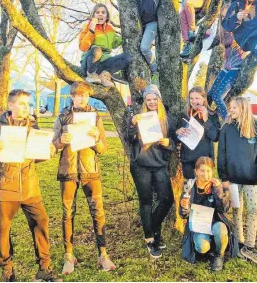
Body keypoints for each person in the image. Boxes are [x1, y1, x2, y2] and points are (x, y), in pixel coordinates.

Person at [0, 89, 61, 282]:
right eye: (22, 104)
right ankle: (7, 272)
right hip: (4, 189)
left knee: (41, 222)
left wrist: (48, 152)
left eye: (28, 104)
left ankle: (44, 269)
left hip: (29, 188)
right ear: (11, 105)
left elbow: (35, 158)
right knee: (2, 231)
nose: (27, 108)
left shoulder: (33, 129)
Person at [52, 82, 116, 274]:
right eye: (78, 95)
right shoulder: (63, 117)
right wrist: (60, 142)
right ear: (72, 97)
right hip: (68, 172)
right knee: (67, 214)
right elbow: (52, 145)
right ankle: (69, 256)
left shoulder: (95, 117)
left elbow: (104, 148)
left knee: (98, 213)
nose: (82, 98)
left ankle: (103, 255)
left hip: (91, 172)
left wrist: (96, 138)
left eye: (85, 96)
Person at [218, 96, 257, 265]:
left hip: (251, 179)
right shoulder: (226, 128)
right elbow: (222, 155)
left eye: (233, 108)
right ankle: (239, 244)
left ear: (243, 108)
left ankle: (250, 246)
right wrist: (224, 177)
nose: (230, 110)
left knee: (254, 210)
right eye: (230, 107)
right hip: (232, 179)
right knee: (236, 210)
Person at [127, 85, 175, 258]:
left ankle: (152, 229)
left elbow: (174, 144)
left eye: (155, 99)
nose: (152, 102)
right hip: (141, 165)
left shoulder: (167, 119)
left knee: (167, 199)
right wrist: (133, 125)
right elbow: (129, 139)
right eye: (149, 99)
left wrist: (168, 143)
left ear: (159, 100)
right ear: (145, 102)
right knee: (146, 202)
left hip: (160, 165)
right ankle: (150, 239)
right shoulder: (139, 118)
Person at [179, 157, 238, 271]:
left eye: (208, 171)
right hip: (199, 226)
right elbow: (183, 215)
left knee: (220, 230)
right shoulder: (189, 187)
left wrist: (218, 190)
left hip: (215, 223)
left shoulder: (218, 186)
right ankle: (209, 247)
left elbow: (224, 209)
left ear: (212, 171)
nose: (205, 174)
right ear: (195, 171)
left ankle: (219, 256)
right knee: (201, 247)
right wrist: (183, 207)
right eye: (202, 171)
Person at [206, 3, 247, 120]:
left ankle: (227, 120)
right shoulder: (222, 32)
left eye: (228, 16)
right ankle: (211, 114)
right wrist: (206, 34)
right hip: (227, 66)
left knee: (217, 96)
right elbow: (210, 42)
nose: (225, 19)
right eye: (223, 17)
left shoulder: (237, 29)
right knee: (209, 94)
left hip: (236, 66)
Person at [79, 3, 132, 86]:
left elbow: (114, 44)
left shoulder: (109, 29)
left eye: (103, 12)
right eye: (97, 12)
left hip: (104, 62)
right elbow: (83, 47)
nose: (100, 14)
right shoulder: (87, 26)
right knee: (97, 50)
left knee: (127, 57)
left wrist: (125, 35)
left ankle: (105, 75)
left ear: (107, 16)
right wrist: (92, 30)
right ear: (93, 15)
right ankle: (91, 75)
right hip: (90, 62)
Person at [176, 86, 220, 179]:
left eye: (197, 98)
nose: (194, 101)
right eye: (191, 98)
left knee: (204, 191)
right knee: (190, 191)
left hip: (205, 161)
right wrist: (177, 132)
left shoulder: (212, 115)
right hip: (188, 161)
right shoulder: (184, 115)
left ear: (204, 99)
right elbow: (176, 138)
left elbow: (215, 137)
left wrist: (206, 119)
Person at [133, 0, 161, 84]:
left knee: (144, 47)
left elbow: (150, 9)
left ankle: (155, 70)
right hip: (140, 25)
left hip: (151, 23)